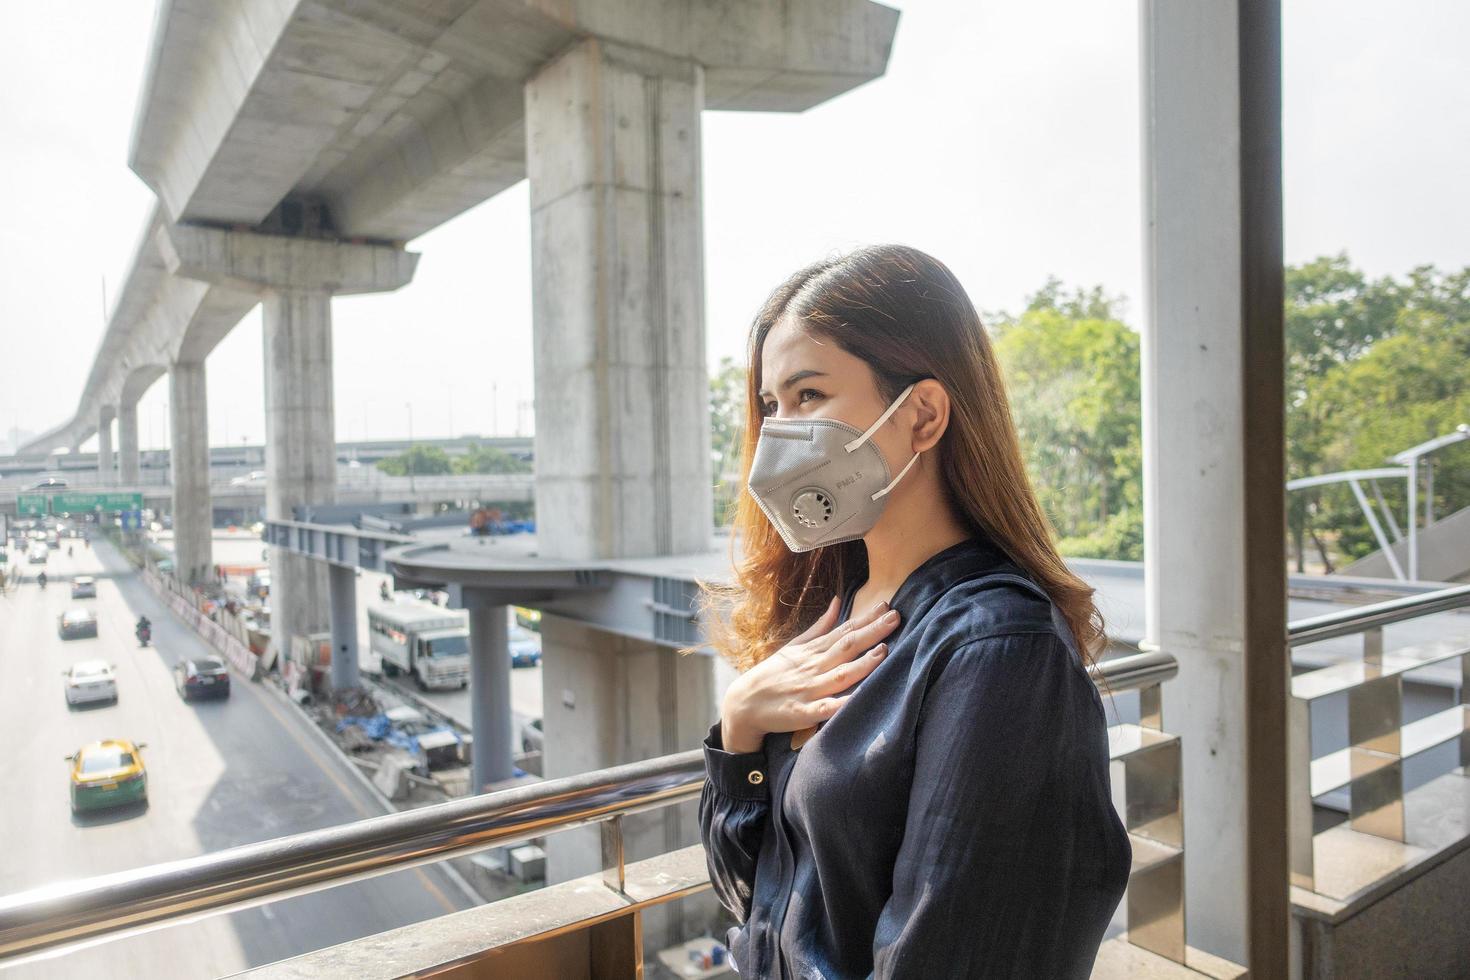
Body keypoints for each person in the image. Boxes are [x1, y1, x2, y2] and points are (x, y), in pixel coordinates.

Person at [694, 246, 1129, 979]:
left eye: (809, 397)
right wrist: (739, 730)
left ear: (922, 414)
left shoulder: (998, 647)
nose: (778, 435)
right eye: (772, 405)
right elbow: (750, 901)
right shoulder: (832, 612)